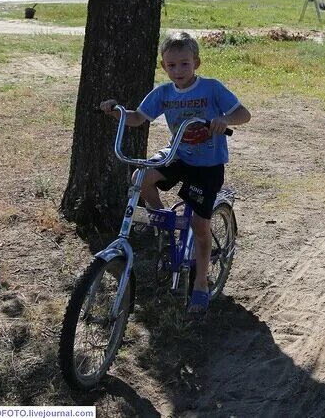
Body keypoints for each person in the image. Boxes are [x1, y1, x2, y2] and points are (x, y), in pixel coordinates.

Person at [100, 31, 251, 315]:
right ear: (163, 66)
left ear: (196, 62)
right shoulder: (163, 93)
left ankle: (201, 283)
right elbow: (137, 118)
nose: (178, 71)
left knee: (199, 224)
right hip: (177, 156)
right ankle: (165, 221)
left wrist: (223, 119)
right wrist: (116, 111)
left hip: (207, 166)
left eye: (184, 64)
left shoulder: (211, 89)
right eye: (171, 65)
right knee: (140, 178)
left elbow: (244, 114)